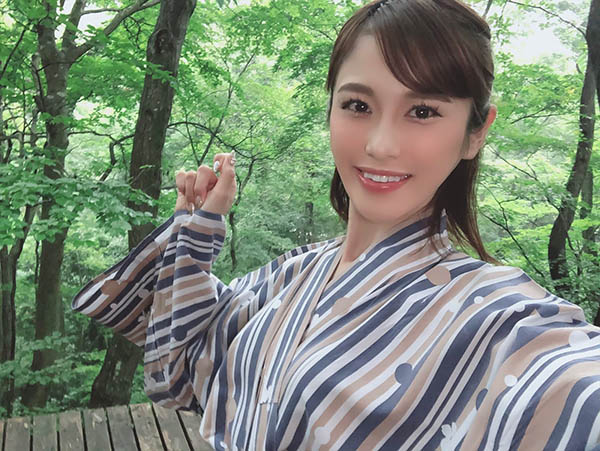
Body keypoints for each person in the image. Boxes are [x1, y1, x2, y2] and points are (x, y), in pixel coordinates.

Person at [72, 0, 600, 449]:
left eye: (422, 111)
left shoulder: (495, 318)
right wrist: (198, 227)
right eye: (357, 104)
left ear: (475, 132)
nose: (380, 145)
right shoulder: (293, 274)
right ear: (330, 110)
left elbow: (569, 387)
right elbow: (180, 367)